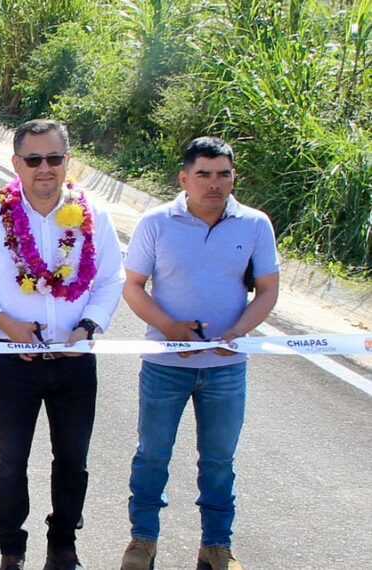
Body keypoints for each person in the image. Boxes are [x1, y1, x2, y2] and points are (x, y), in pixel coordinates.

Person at [0, 119, 124, 570]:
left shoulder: (94, 216)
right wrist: (8, 325)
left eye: (54, 158)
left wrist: (88, 327)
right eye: (34, 160)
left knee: (73, 459)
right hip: (16, 361)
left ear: (68, 161)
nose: (44, 168)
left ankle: (63, 545)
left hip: (76, 359)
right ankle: (11, 550)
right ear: (17, 164)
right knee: (11, 461)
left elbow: (111, 279)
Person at [119, 137, 279, 570]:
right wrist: (171, 329)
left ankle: (216, 545)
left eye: (223, 174)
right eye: (204, 174)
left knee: (219, 460)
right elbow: (133, 286)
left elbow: (268, 290)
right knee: (152, 455)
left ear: (233, 178)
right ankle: (142, 541)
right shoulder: (156, 222)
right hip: (165, 364)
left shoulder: (255, 224)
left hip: (227, 367)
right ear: (184, 179)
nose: (214, 184)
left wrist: (239, 331)